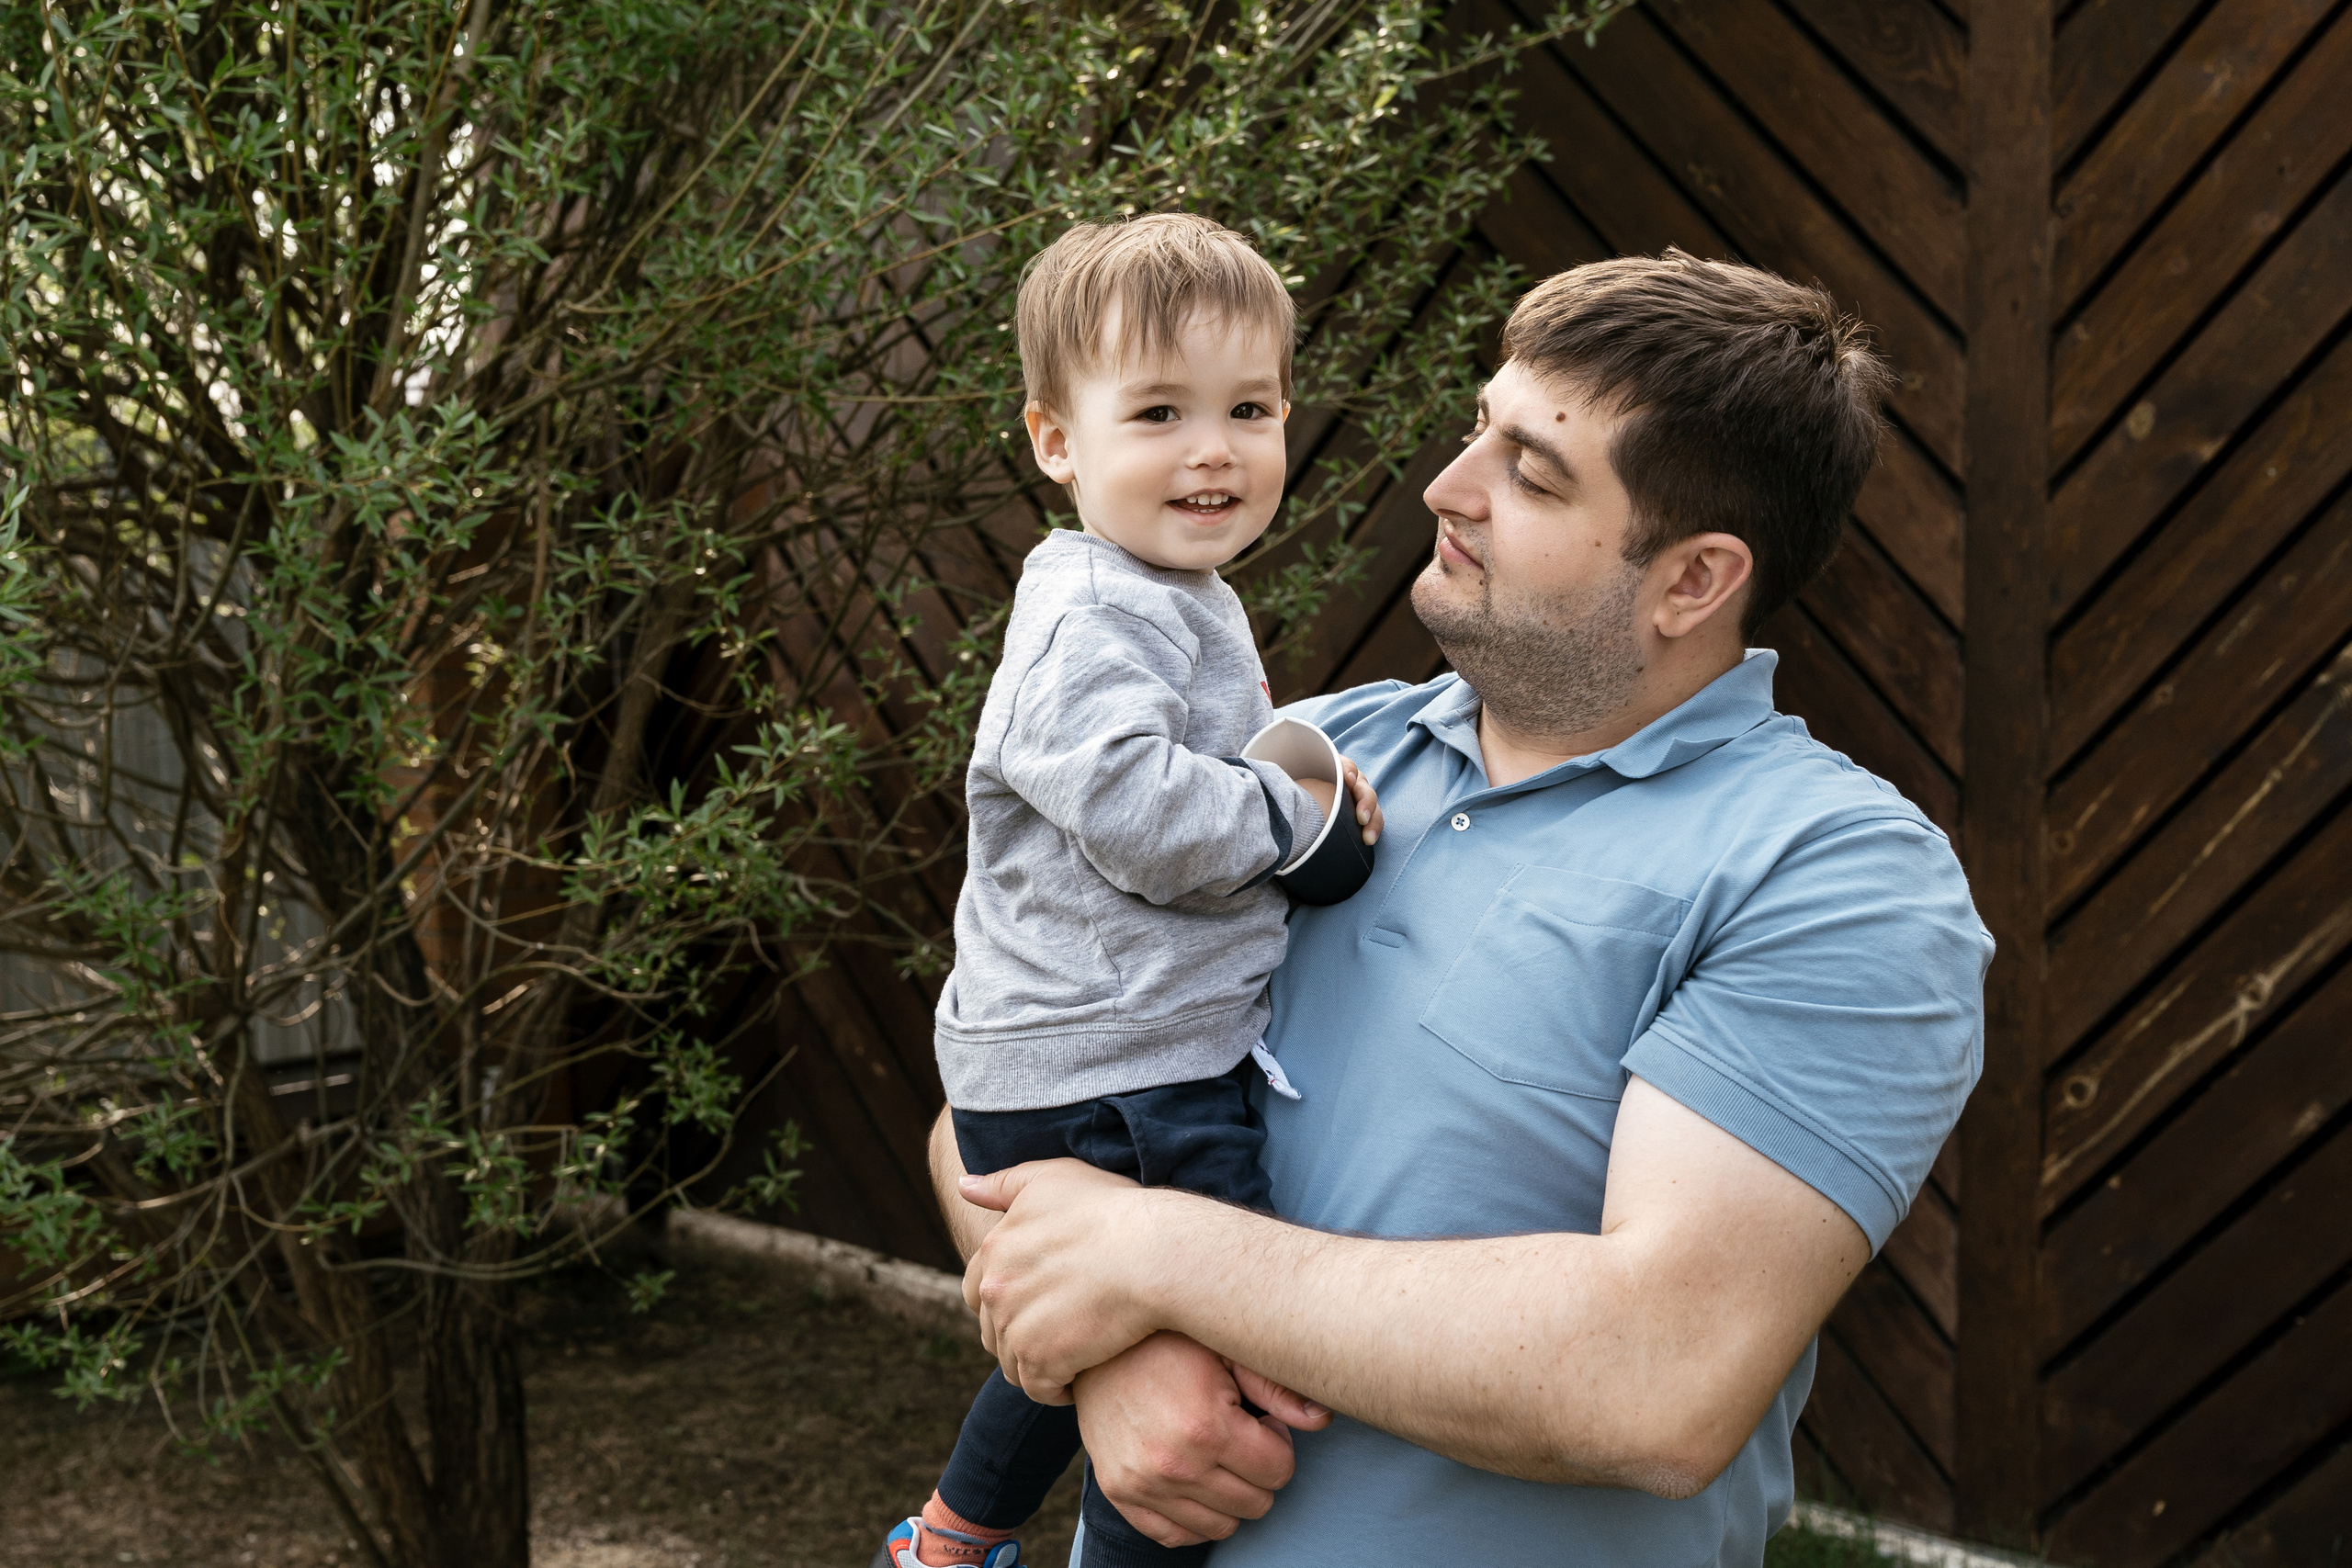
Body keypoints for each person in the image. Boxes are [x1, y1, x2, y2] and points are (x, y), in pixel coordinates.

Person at [939, 249, 1994, 1566]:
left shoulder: (1833, 879)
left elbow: (1655, 1378)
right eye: (1476, 428)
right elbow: (997, 1100)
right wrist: (1118, 1361)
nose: (1448, 488)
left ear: (1692, 581)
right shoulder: (1303, 762)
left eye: (1532, 472)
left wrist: (1149, 1261)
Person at [883, 214, 1385, 1568]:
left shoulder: (1163, 588)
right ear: (1057, 440)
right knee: (1217, 1363)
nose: (1213, 447)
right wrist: (1295, 823)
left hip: (1088, 1048)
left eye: (1249, 407)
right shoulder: (1091, 615)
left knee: (1091, 1341)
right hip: (1118, 1068)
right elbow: (1141, 815)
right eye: (1158, 411)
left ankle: (945, 1541)